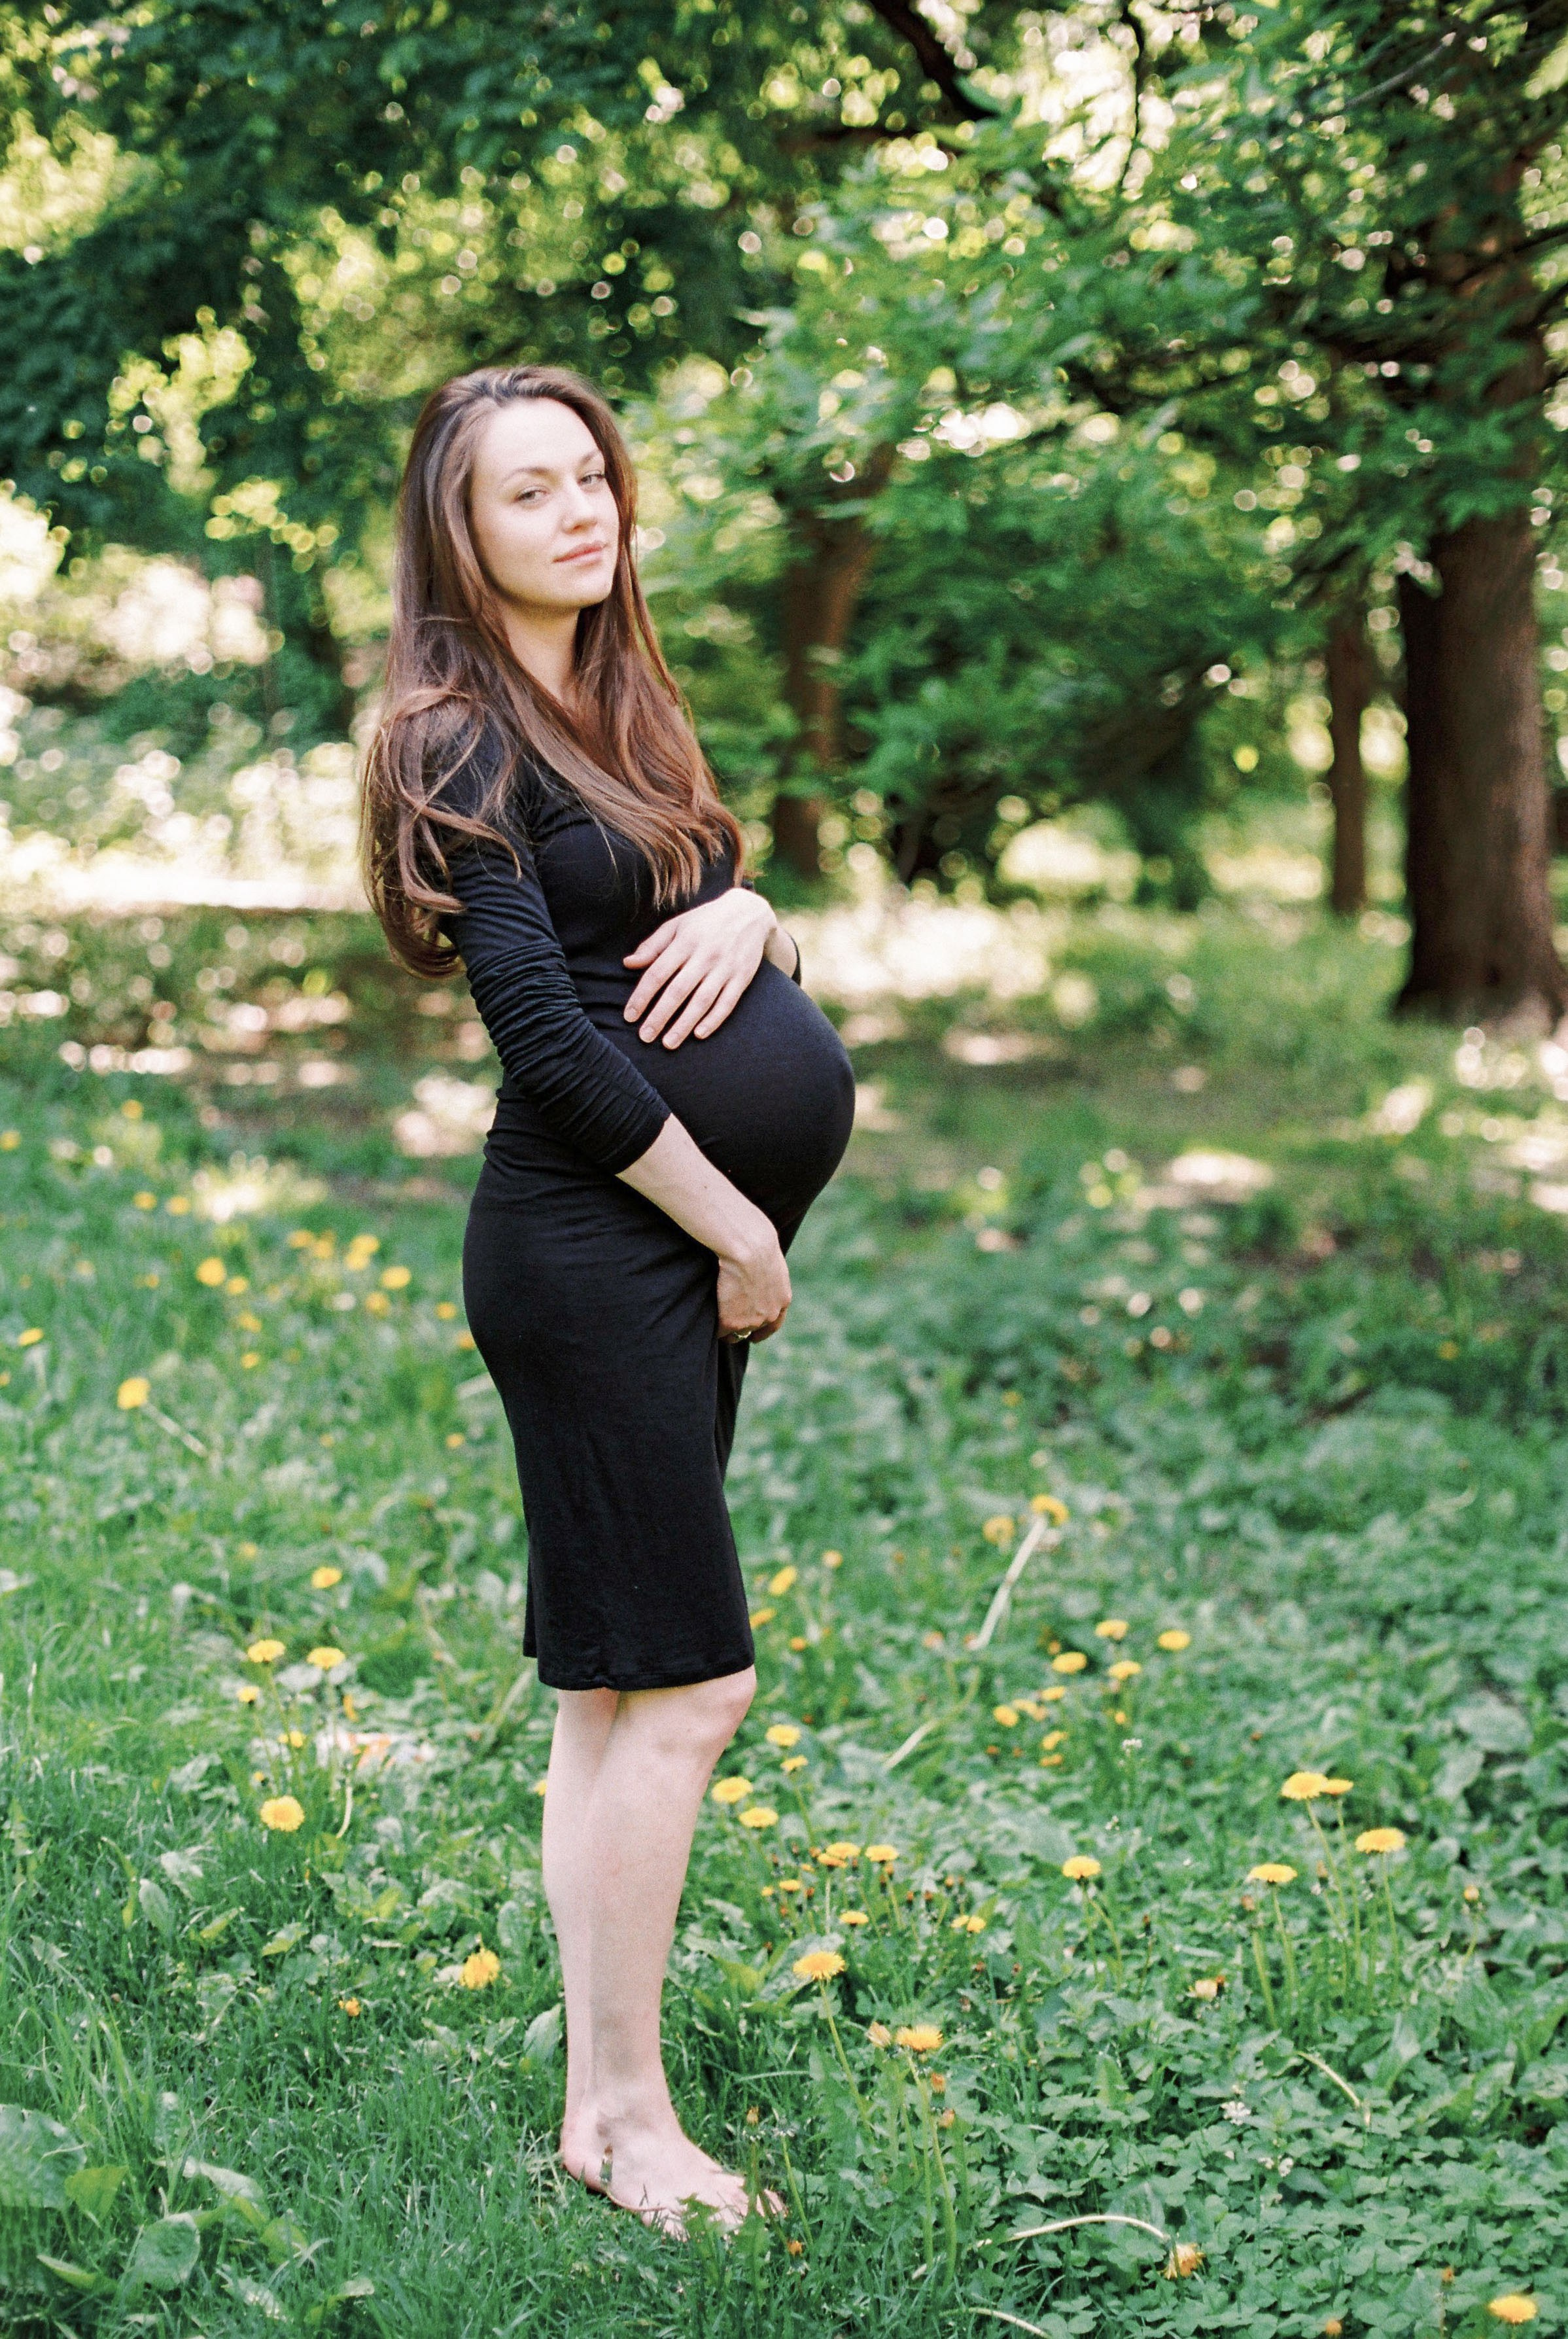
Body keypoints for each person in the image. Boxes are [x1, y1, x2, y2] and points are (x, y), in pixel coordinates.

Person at [360, 364, 856, 2237]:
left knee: (616, 1694)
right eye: (527, 492)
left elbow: (694, 921)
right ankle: (627, 2124)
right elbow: (549, 1039)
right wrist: (736, 1226)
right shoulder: (453, 729)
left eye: (593, 478)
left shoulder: (614, 699)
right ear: (460, 534)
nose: (580, 511)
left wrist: (761, 917)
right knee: (690, 1685)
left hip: (651, 1244)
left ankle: (599, 2090)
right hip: (593, 1253)